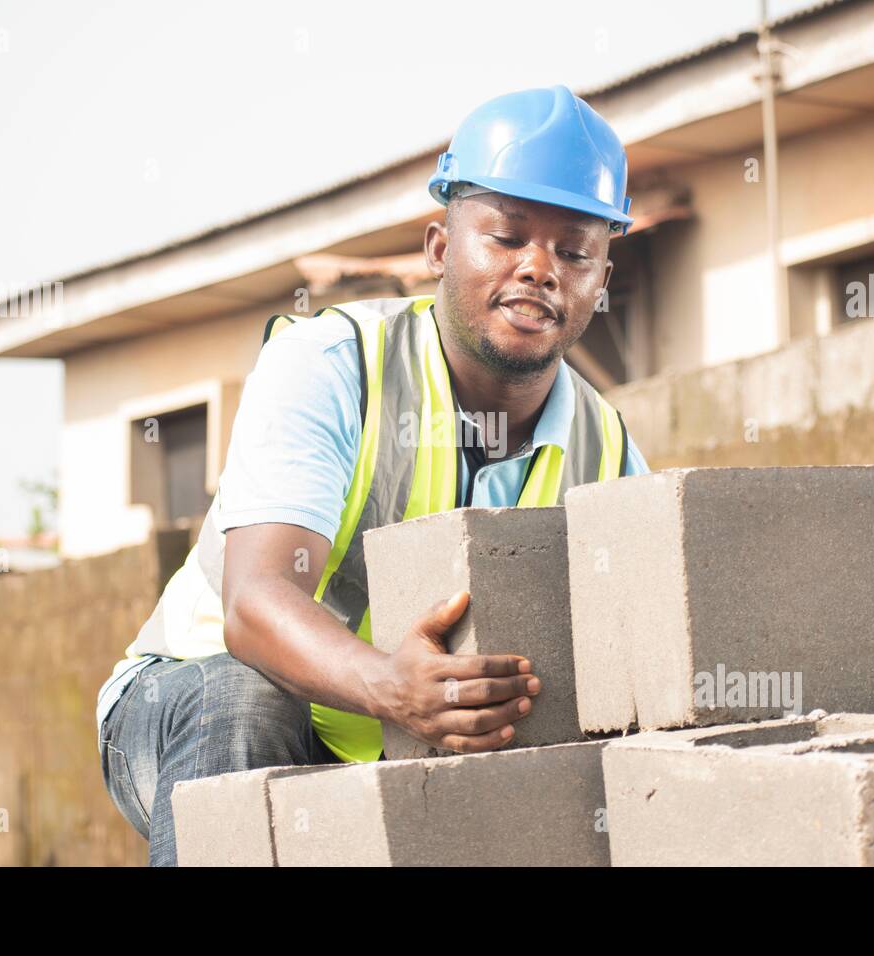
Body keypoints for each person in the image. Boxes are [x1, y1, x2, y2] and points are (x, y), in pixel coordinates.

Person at [96, 84, 651, 865]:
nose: (539, 269)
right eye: (506, 237)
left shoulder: (608, 448)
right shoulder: (331, 363)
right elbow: (255, 606)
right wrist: (395, 686)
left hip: (395, 739)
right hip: (187, 703)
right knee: (244, 701)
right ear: (437, 249)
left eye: (572, 251)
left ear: (601, 281)